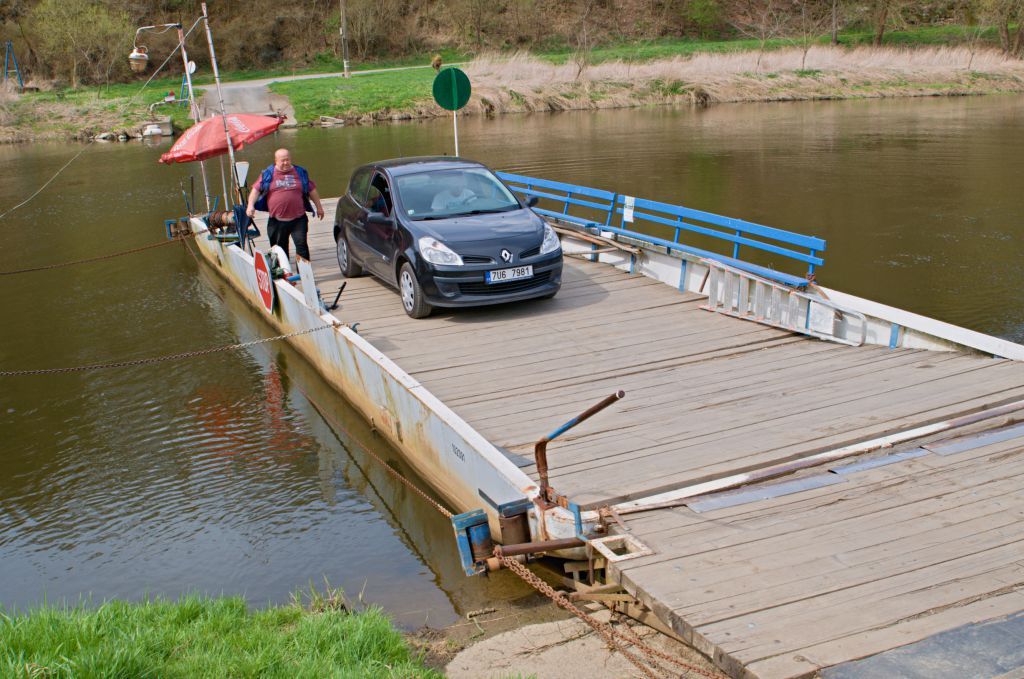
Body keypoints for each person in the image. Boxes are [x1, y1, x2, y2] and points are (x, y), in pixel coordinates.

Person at [246, 148, 325, 261]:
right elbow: (255, 190)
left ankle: (304, 270)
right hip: (277, 221)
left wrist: (319, 208)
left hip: (298, 219)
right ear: (276, 161)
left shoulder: (300, 172)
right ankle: (284, 270)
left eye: (288, 159)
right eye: (282, 160)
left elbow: (312, 190)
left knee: (302, 246)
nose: (286, 163)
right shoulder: (268, 174)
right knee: (279, 250)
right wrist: (250, 205)